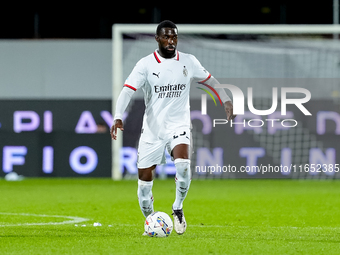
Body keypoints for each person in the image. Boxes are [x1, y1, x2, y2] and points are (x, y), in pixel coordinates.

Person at [110, 20, 236, 235]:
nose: (171, 41)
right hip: (153, 129)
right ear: (157, 39)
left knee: (183, 164)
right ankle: (151, 221)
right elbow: (127, 90)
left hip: (179, 125)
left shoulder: (188, 61)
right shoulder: (145, 64)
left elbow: (211, 80)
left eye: (174, 37)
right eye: (167, 37)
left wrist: (225, 99)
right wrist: (118, 116)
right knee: (143, 187)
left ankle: (177, 207)